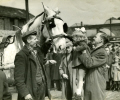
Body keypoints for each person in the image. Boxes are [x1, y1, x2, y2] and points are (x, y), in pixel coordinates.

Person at [14, 30, 54, 100]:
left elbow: (43, 52)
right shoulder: (21, 55)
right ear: (29, 41)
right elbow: (18, 78)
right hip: (31, 91)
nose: (37, 40)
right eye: (35, 39)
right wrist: (25, 93)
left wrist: (48, 43)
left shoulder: (35, 52)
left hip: (41, 88)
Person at [79, 31, 109, 100]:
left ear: (101, 40)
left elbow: (89, 63)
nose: (93, 38)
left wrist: (83, 52)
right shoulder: (95, 50)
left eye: (96, 37)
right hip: (91, 82)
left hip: (96, 84)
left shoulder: (102, 52)